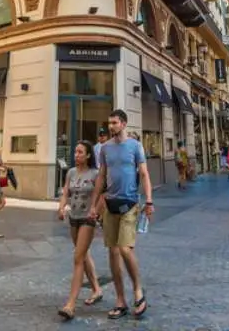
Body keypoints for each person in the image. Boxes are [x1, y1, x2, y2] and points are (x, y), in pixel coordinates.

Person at [88, 109, 153, 320]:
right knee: (113, 253)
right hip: (110, 205)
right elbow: (101, 177)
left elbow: (144, 174)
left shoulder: (135, 146)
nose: (111, 126)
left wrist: (149, 201)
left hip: (130, 204)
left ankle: (138, 291)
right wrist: (94, 205)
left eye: (114, 123)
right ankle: (120, 300)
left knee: (125, 249)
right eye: (110, 123)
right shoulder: (104, 149)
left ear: (124, 124)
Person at [56, 141, 105, 320]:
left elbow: (102, 195)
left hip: (87, 219)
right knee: (83, 255)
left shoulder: (95, 174)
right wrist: (61, 208)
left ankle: (70, 305)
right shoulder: (71, 172)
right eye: (75, 152)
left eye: (80, 152)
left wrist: (96, 212)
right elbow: (66, 192)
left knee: (78, 257)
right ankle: (97, 289)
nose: (76, 155)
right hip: (74, 218)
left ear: (88, 155)